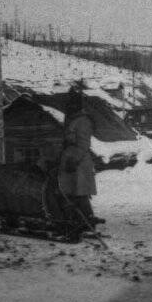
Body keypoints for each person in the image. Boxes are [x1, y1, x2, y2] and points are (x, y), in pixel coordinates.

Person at [58, 87, 102, 229]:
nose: (68, 107)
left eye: (71, 104)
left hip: (79, 164)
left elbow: (83, 144)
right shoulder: (73, 120)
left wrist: (74, 160)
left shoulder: (83, 121)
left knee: (80, 194)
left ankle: (88, 223)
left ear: (76, 106)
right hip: (70, 163)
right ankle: (76, 222)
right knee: (70, 193)